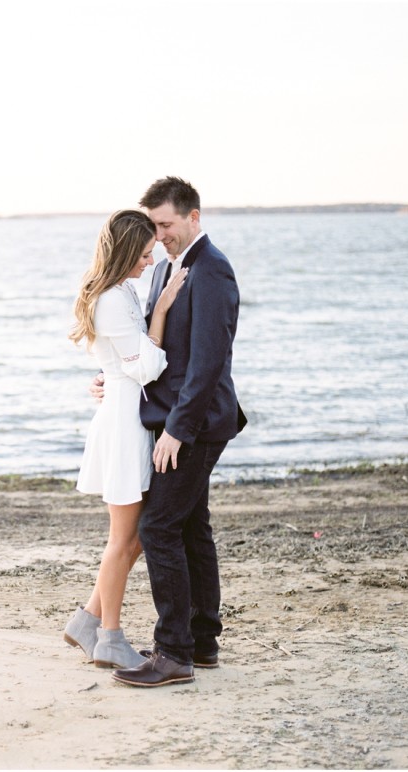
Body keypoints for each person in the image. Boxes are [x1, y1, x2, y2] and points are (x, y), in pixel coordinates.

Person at [110, 176, 247, 688]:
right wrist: (115, 376)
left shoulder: (211, 270)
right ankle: (201, 642)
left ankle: (173, 654)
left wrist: (176, 430)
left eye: (166, 224)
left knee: (159, 528)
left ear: (193, 217)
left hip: (196, 423)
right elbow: (161, 351)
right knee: (191, 527)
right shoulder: (170, 267)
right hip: (182, 418)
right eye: (155, 226)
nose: (159, 234)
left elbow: (209, 362)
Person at [63, 209, 188, 669]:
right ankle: (109, 637)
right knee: (124, 539)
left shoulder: (121, 293)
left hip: (125, 412)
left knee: (133, 539)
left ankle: (88, 621)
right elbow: (145, 366)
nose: (149, 261)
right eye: (143, 253)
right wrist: (163, 312)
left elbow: (123, 361)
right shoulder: (115, 299)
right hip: (123, 423)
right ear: (123, 252)